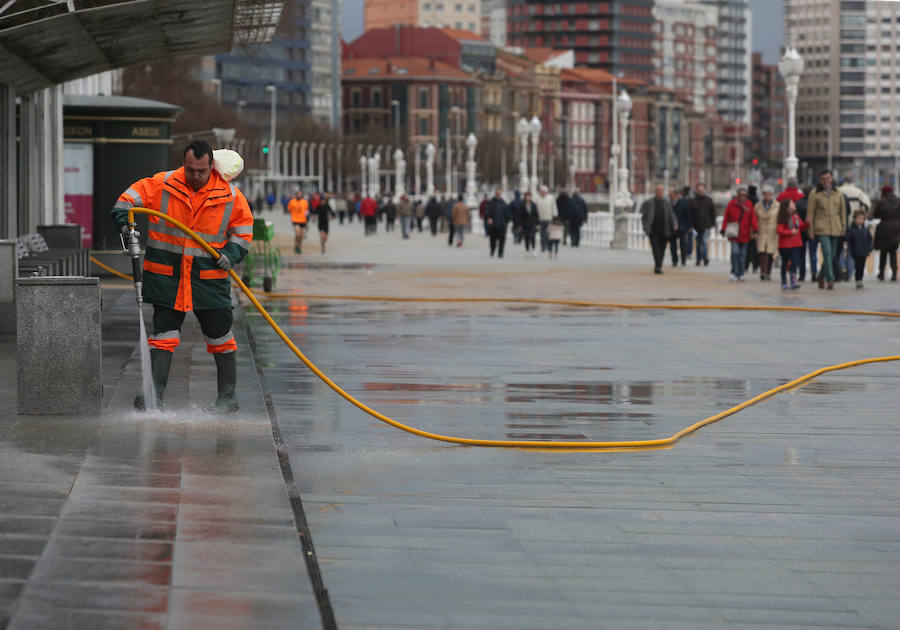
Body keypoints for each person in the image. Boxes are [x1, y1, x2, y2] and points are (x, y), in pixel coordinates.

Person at [111, 139, 253, 412]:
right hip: (168, 277)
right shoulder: (162, 184)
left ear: (211, 165)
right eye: (190, 170)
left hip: (208, 279)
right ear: (184, 164)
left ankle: (227, 398)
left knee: (220, 337)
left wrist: (232, 255)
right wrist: (123, 220)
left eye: (201, 171)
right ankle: (154, 398)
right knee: (162, 336)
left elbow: (243, 230)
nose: (196, 176)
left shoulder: (231, 196)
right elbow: (127, 200)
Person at [808, 169, 849, 290]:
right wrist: (810, 230)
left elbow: (842, 211)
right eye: (823, 179)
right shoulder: (815, 194)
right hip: (821, 227)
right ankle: (830, 279)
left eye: (828, 178)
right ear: (820, 180)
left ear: (832, 179)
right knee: (827, 252)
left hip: (836, 227)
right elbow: (810, 213)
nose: (826, 181)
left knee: (832, 255)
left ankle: (821, 275)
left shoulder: (838, 193)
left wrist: (843, 226)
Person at [721, 187, 757, 282]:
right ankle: (733, 271)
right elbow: (726, 217)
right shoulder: (731, 204)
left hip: (745, 234)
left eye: (744, 195)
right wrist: (723, 229)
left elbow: (753, 219)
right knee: (735, 253)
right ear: (737, 195)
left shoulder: (749, 205)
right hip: (734, 233)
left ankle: (741, 273)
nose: (742, 197)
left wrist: (755, 230)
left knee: (743, 255)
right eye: (740, 195)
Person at [640, 184, 677, 274]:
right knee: (655, 249)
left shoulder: (667, 202)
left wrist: (675, 224)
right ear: (655, 191)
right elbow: (643, 216)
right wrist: (646, 227)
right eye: (658, 190)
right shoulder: (649, 202)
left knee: (662, 249)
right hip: (653, 230)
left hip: (664, 230)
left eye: (662, 190)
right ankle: (657, 266)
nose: (660, 192)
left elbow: (671, 215)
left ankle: (659, 265)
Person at [776, 198, 808, 290]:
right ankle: (784, 281)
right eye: (792, 203)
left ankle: (793, 280)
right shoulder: (782, 217)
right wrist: (790, 232)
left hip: (795, 243)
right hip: (785, 245)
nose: (794, 205)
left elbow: (800, 226)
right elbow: (779, 230)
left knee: (794, 263)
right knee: (785, 263)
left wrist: (807, 223)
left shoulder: (796, 216)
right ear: (787, 207)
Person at [873, 185, 900, 281]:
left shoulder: (881, 202)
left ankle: (881, 273)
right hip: (896, 230)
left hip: (884, 229)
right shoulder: (898, 201)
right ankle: (894, 274)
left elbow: (875, 215)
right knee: (893, 252)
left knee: (883, 252)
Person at [754, 186, 779, 281]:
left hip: (772, 231)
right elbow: (754, 219)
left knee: (770, 252)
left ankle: (768, 272)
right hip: (761, 230)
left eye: (768, 194)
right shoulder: (758, 206)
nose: (767, 196)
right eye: (765, 194)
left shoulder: (777, 206)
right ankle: (763, 272)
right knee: (762, 252)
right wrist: (754, 231)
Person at [845, 208, 873, 289]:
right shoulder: (851, 229)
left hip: (864, 251)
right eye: (858, 218)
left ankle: (860, 279)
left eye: (862, 219)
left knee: (862, 266)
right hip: (855, 251)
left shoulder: (866, 230)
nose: (860, 220)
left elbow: (869, 240)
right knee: (857, 266)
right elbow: (847, 238)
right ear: (854, 219)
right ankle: (858, 280)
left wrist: (869, 249)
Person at [689, 183, 716, 266]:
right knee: (698, 243)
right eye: (699, 190)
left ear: (704, 190)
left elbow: (713, 213)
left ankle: (705, 258)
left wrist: (712, 223)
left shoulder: (709, 200)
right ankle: (698, 259)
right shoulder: (693, 201)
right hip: (696, 226)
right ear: (697, 190)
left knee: (704, 242)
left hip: (706, 226)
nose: (701, 191)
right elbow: (690, 214)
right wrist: (690, 226)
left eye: (702, 190)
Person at [485, 188, 512, 258]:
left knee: (502, 239)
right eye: (497, 193)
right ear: (495, 193)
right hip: (493, 224)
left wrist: (508, 221)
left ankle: (500, 253)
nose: (498, 194)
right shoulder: (491, 202)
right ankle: (492, 250)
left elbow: (507, 213)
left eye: (500, 193)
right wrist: (489, 218)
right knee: (493, 240)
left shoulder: (503, 203)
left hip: (502, 224)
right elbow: (487, 212)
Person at [672, 186, 693, 266]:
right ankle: (675, 260)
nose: (671, 195)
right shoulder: (669, 202)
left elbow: (688, 215)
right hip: (672, 227)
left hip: (682, 227)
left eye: (673, 194)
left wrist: (689, 226)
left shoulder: (683, 202)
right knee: (673, 245)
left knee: (683, 244)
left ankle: (683, 260)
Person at [518, 191, 539, 257]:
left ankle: (533, 249)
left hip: (532, 223)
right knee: (526, 237)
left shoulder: (534, 205)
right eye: (527, 196)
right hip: (525, 224)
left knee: (533, 236)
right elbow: (520, 216)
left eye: (529, 196)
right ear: (525, 197)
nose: (528, 198)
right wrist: (520, 225)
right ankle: (527, 250)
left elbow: (536, 215)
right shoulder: (522, 205)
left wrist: (538, 223)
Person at [287, 190, 308, 254]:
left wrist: (308, 221)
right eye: (298, 194)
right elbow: (289, 209)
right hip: (295, 220)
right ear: (296, 195)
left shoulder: (305, 202)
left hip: (303, 221)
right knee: (298, 233)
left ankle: (299, 247)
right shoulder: (292, 201)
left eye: (300, 194)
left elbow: (306, 212)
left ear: (301, 195)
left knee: (301, 235)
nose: (299, 195)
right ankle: (296, 245)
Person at [535, 185, 555, 251]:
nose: (541, 192)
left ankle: (548, 245)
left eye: (542, 191)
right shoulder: (538, 198)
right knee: (542, 234)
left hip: (549, 218)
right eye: (540, 191)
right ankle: (543, 246)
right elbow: (535, 208)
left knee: (547, 233)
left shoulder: (551, 198)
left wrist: (554, 215)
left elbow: (554, 207)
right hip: (540, 219)